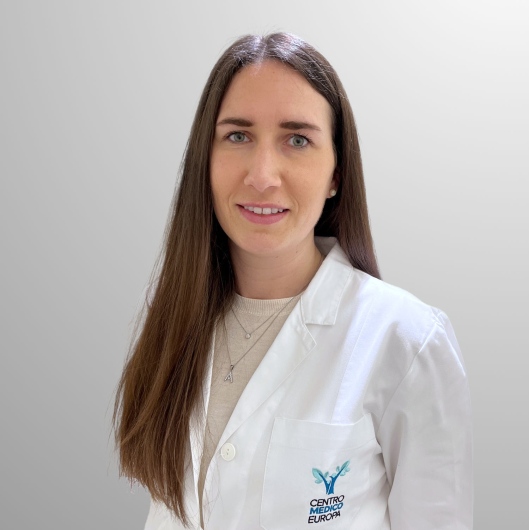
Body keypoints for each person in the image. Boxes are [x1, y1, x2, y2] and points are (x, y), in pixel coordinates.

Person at [113, 33, 473, 529]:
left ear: (336, 174)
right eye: (238, 136)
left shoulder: (406, 341)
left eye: (297, 140)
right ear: (205, 160)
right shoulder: (172, 316)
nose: (262, 175)